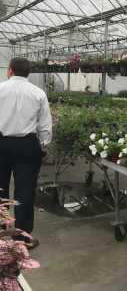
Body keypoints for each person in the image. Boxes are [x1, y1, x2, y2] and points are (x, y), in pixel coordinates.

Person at [0, 58, 52, 249]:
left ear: (10, 70)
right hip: (27, 145)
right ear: (28, 72)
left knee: (0, 189)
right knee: (24, 191)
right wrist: (43, 146)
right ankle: (22, 238)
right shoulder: (38, 93)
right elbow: (45, 125)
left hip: (2, 142)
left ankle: (2, 233)